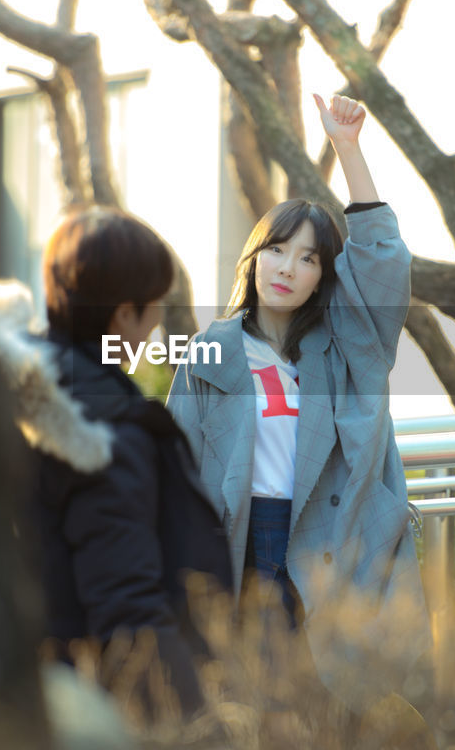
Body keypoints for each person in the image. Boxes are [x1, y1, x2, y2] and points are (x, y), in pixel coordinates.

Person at [166, 93, 431, 708]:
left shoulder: (348, 347)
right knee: (253, 702)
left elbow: (385, 262)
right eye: (277, 250)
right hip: (237, 539)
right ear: (254, 258)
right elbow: (177, 462)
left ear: (325, 275)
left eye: (308, 258)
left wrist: (347, 147)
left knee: (335, 705)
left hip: (330, 536)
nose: (287, 267)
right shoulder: (210, 351)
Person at [0, 206, 233, 720]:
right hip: (82, 704)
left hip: (21, 681)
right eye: (154, 305)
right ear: (123, 314)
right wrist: (200, 726)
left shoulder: (21, 392)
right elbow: (128, 607)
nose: (158, 321)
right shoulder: (106, 433)